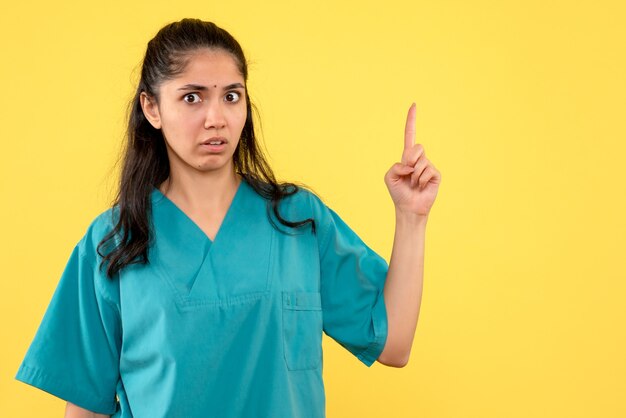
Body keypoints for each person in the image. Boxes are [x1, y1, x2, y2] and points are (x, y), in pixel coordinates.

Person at [15, 18, 441, 418]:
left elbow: (393, 344)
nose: (216, 118)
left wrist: (412, 217)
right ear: (152, 108)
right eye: (192, 97)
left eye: (231, 96)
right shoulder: (112, 241)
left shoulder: (298, 221)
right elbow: (85, 407)